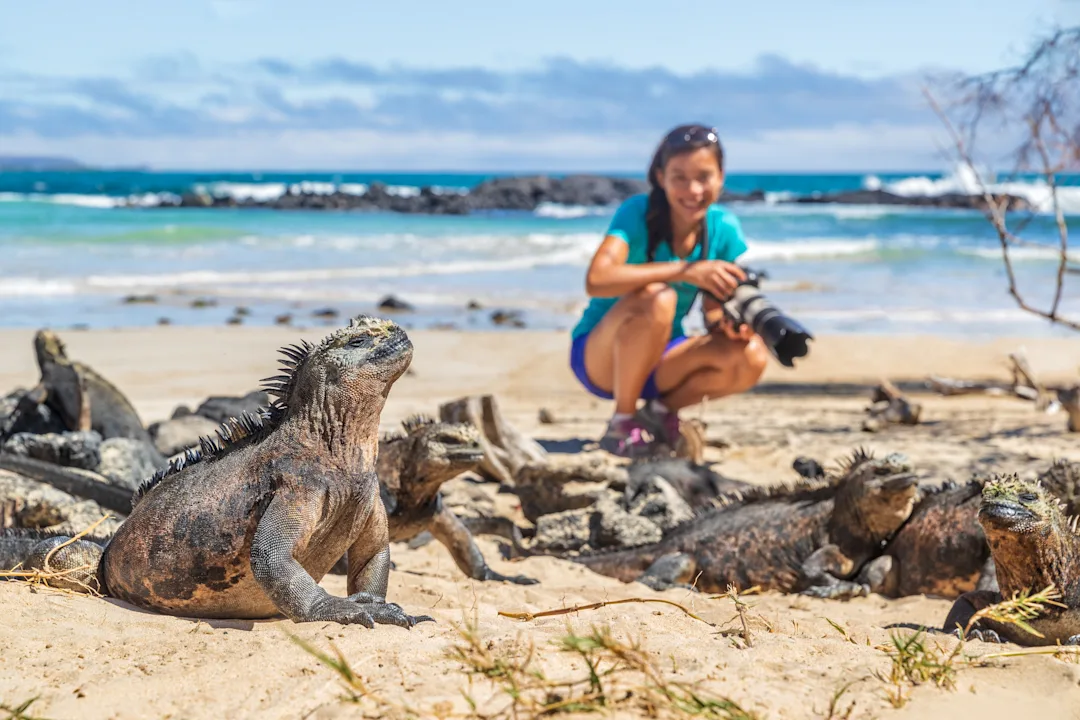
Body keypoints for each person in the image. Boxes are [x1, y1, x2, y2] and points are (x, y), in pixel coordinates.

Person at [568, 124, 770, 457]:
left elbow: (712, 312)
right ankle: (621, 421)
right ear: (661, 178)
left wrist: (729, 326)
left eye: (703, 177)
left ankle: (659, 414)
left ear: (721, 177)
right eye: (679, 177)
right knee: (659, 297)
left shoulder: (723, 229)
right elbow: (597, 278)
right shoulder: (637, 212)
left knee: (751, 355)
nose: (692, 190)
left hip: (664, 359)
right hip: (601, 356)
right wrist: (687, 271)